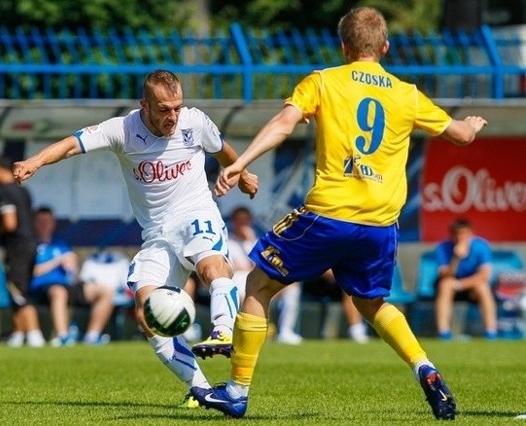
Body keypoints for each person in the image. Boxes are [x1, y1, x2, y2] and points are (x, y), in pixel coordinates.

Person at [190, 7, 488, 420]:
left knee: (257, 284)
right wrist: (471, 124)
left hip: (328, 214)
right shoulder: (406, 93)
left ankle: (237, 391)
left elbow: (284, 122)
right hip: (380, 225)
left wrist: (241, 162)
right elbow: (460, 135)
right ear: (384, 47)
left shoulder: (325, 81)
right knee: (372, 303)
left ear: (344, 47)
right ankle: (425, 367)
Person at [12, 70, 258, 405]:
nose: (172, 116)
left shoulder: (194, 122)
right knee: (147, 313)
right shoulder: (122, 130)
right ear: (145, 104)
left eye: (177, 107)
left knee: (213, 266)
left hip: (196, 214)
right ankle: (201, 389)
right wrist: (35, 161)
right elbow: (73, 144)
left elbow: (222, 150)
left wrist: (241, 174)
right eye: (164, 109)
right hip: (156, 234)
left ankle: (223, 330)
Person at [0, 155, 46, 348]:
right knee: (21, 289)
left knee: (18, 291)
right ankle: (18, 334)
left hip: (17, 247)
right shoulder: (23, 190)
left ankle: (35, 334)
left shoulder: (5, 192)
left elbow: (10, 223)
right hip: (30, 244)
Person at [226, 206, 303, 344]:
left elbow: (264, 262)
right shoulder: (228, 241)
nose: (243, 224)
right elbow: (233, 267)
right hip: (238, 279)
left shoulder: (255, 241)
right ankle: (239, 333)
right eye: (239, 221)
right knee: (243, 290)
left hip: (258, 276)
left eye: (246, 220)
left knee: (292, 288)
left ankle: (286, 331)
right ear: (233, 221)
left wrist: (250, 239)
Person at [434, 218, 497, 340]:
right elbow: (444, 275)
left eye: (465, 233)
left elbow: (484, 275)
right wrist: (456, 258)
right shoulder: (442, 247)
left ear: (471, 234)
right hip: (450, 285)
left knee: (483, 286)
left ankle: (491, 331)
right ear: (452, 235)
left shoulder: (481, 246)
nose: (461, 237)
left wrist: (459, 285)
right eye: (458, 234)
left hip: (471, 286)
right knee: (445, 285)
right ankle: (443, 332)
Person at [30, 206, 76, 347]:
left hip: (67, 284)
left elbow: (73, 274)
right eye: (41, 221)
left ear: (53, 223)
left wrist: (73, 265)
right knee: (58, 292)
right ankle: (62, 336)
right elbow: (30, 271)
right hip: (39, 288)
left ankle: (93, 335)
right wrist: (57, 261)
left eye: (48, 221)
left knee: (104, 291)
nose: (44, 225)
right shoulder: (30, 245)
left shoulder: (62, 245)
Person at [70, 247, 133, 345]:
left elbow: (127, 286)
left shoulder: (122, 260)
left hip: (115, 294)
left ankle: (92, 335)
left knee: (110, 294)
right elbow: (84, 279)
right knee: (108, 294)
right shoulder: (91, 259)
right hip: (85, 290)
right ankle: (91, 336)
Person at [305, 269, 370, 344]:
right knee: (351, 285)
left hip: (344, 278)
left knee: (354, 284)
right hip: (320, 280)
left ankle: (361, 329)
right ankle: (356, 330)